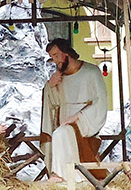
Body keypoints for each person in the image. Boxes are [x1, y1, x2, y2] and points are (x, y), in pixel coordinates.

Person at [40, 38, 109, 182]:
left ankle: (59, 175)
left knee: (60, 133)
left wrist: (78, 116)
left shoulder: (91, 72)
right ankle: (68, 174)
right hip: (65, 120)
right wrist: (50, 86)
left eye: (56, 55)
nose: (55, 61)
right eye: (52, 57)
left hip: (85, 122)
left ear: (67, 53)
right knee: (61, 132)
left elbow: (100, 102)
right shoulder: (59, 77)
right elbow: (54, 104)